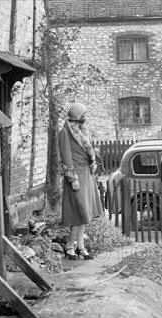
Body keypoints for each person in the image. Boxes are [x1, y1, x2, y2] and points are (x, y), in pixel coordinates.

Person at [58, 103, 103, 260]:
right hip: (76, 176)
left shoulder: (83, 130)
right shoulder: (64, 132)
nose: (86, 116)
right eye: (84, 114)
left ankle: (80, 247)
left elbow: (89, 152)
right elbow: (66, 157)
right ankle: (69, 245)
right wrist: (72, 179)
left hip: (87, 174)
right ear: (77, 115)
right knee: (80, 213)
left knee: (85, 214)